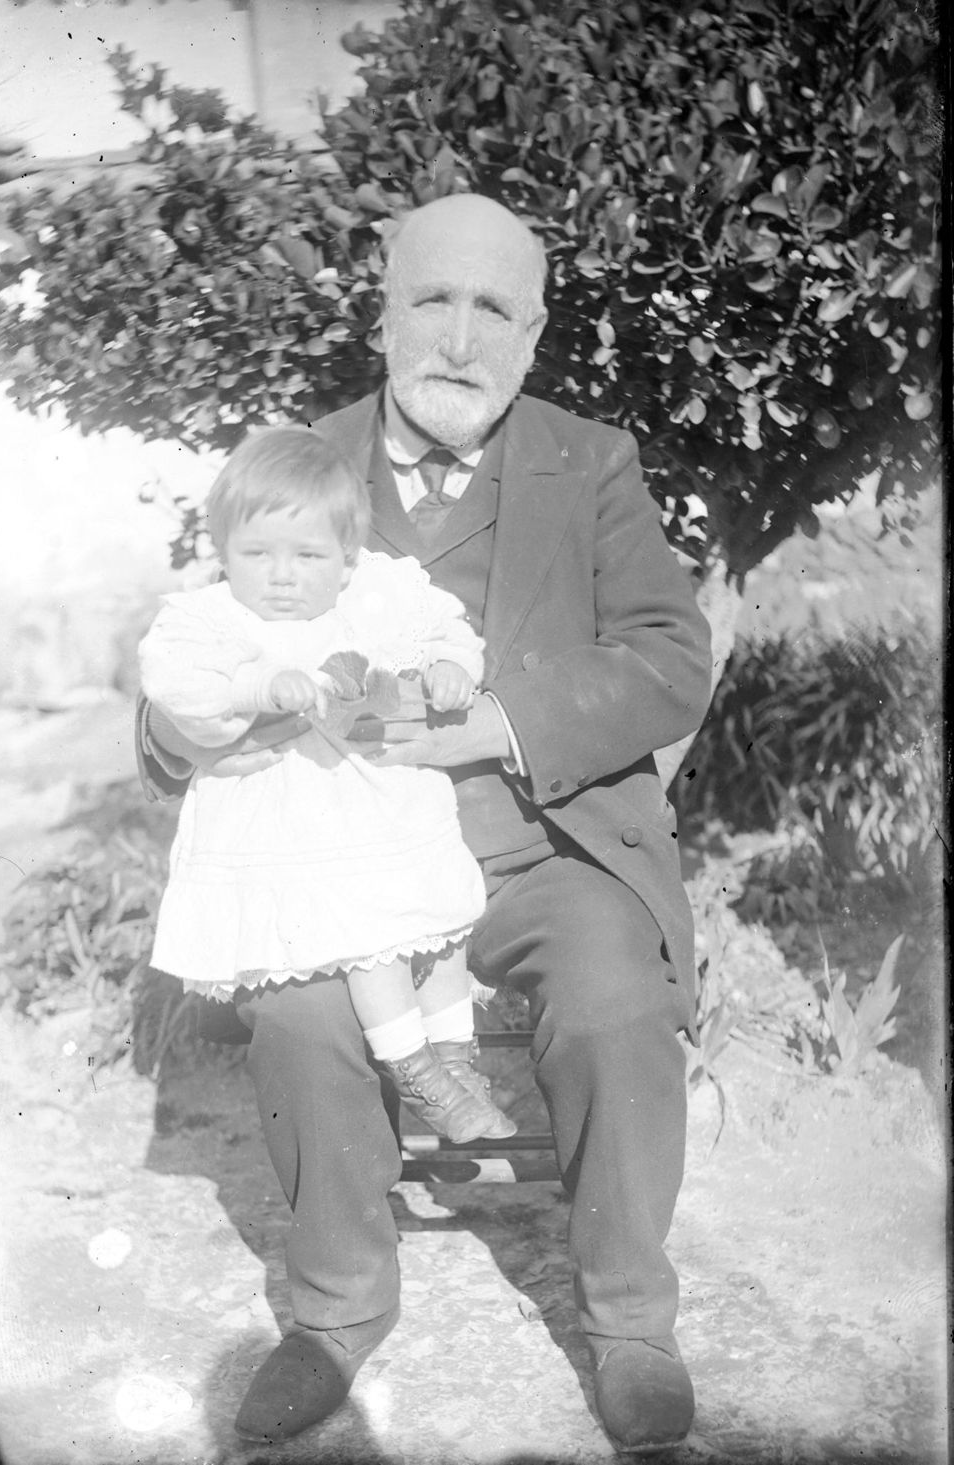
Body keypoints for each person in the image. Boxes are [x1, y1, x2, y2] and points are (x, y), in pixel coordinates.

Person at [136, 192, 713, 1453]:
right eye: (431, 300)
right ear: (383, 308)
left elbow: (670, 655)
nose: (458, 337)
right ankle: (336, 1311)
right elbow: (200, 654)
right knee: (298, 1007)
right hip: (342, 858)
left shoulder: (588, 460)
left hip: (535, 845)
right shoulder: (298, 460)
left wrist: (495, 720)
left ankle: (627, 1320)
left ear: (535, 328)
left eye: (493, 308)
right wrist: (197, 728)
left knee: (616, 995)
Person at [138, 425, 517, 1144]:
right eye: (257, 555)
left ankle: (455, 1060)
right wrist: (256, 685)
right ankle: (415, 1069)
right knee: (369, 935)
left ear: (346, 560)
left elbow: (444, 626)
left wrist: (449, 666)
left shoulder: (374, 593)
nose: (281, 576)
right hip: (295, 828)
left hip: (386, 807)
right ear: (224, 551)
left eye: (307, 557)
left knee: (438, 931)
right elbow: (175, 684)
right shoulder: (211, 619)